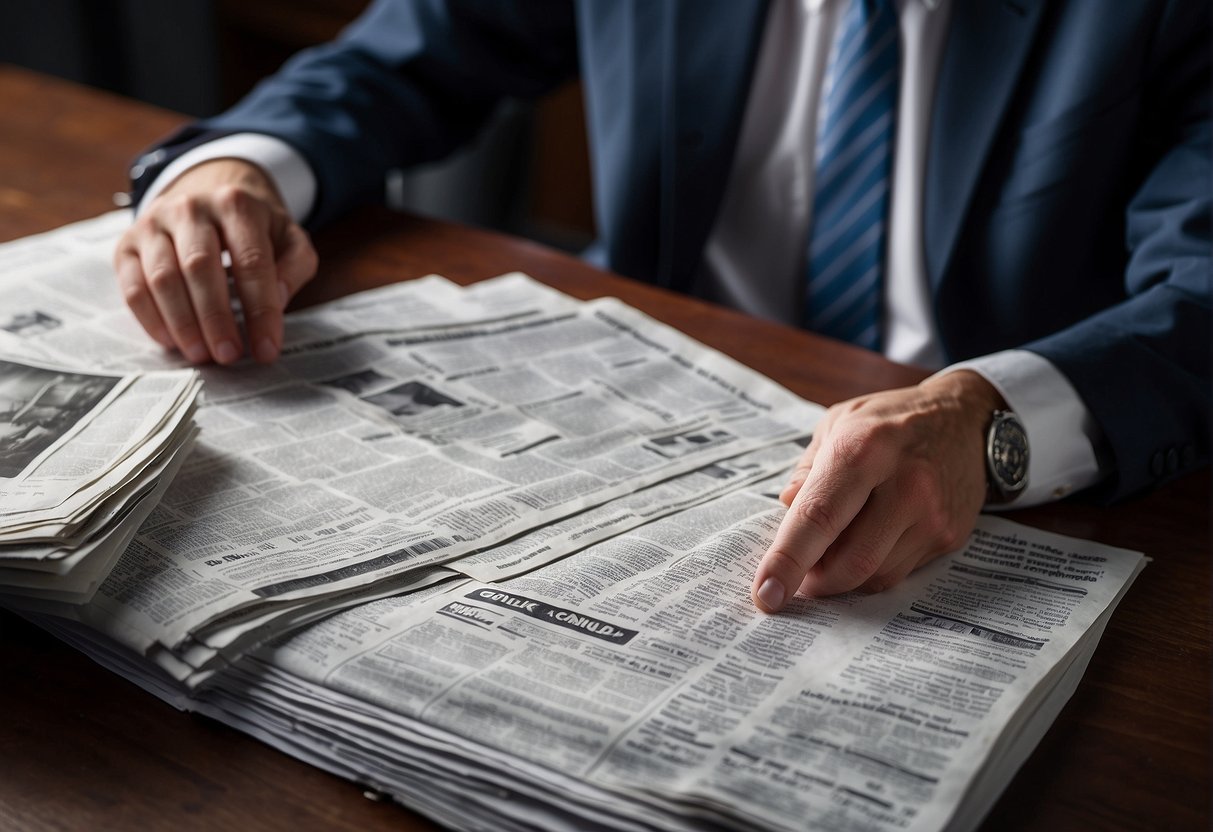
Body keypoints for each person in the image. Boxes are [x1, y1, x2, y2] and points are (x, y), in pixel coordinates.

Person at [113, 0, 1210, 612]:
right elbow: (413, 53)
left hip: (1014, 499)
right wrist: (243, 167)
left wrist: (992, 420)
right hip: (638, 411)